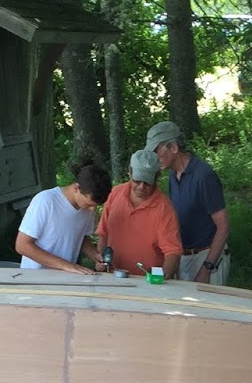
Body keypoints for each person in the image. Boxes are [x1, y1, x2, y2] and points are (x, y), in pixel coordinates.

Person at [146, 121, 231, 285]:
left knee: (207, 310)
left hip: (205, 258)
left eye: (156, 151)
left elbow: (224, 226)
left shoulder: (203, 176)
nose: (154, 157)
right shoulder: (172, 175)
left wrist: (207, 267)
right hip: (183, 258)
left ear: (173, 147)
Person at [96, 149, 181, 278]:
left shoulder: (164, 208)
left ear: (157, 176)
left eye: (147, 182)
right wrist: (100, 261)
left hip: (146, 280)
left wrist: (163, 276)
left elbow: (173, 251)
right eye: (137, 180)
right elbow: (103, 233)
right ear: (130, 172)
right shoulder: (115, 194)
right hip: (113, 276)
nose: (141, 187)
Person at [15, 163, 112, 272]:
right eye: (88, 204)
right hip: (36, 278)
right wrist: (67, 265)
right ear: (76, 188)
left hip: (66, 278)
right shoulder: (46, 201)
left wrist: (95, 256)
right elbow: (22, 245)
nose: (92, 209)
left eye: (95, 206)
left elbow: (80, 237)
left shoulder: (87, 209)